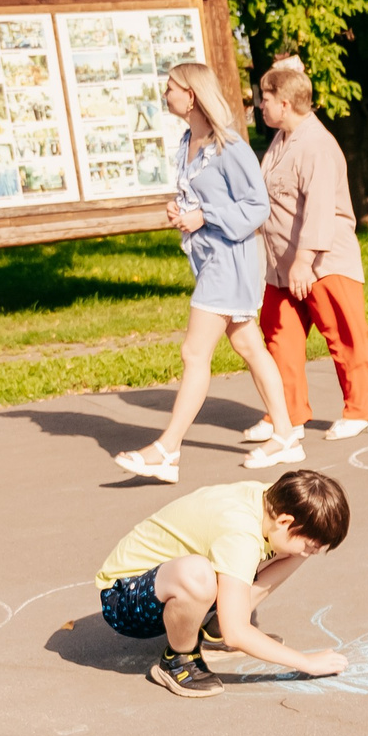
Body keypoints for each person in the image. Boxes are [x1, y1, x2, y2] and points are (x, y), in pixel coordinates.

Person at [113, 62, 291, 485]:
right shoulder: (188, 142)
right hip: (211, 258)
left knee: (194, 353)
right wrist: (182, 209)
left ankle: (167, 450)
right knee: (248, 344)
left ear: (191, 95)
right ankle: (285, 434)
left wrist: (205, 215)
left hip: (231, 261)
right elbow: (202, 197)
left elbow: (257, 207)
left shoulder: (230, 147)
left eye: (171, 87)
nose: (165, 94)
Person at [93, 467, 354, 698]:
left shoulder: (272, 501)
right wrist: (306, 663)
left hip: (160, 584)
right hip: (124, 600)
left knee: (292, 552)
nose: (310, 552)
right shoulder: (240, 533)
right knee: (198, 575)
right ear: (285, 520)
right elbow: (237, 632)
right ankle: (178, 659)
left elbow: (294, 547)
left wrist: (303, 549)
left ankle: (214, 634)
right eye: (309, 545)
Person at [251, 65, 368, 448]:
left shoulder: (317, 144)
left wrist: (304, 261)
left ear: (284, 103)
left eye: (266, 99)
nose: (260, 105)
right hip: (283, 265)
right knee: (279, 334)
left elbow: (319, 209)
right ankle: (286, 415)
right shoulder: (283, 138)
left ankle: (362, 410)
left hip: (322, 262)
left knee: (344, 335)